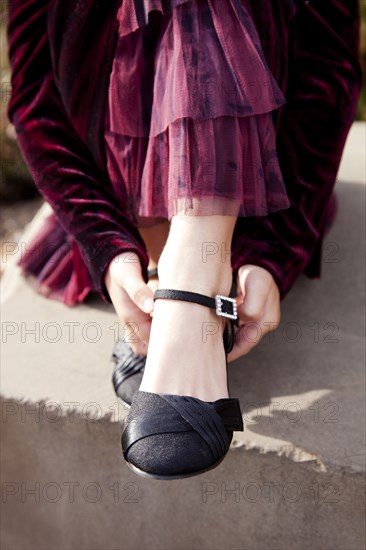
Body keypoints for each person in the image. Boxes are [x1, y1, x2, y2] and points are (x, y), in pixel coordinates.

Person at [7, 0, 361, 478]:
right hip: (113, 194)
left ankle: (194, 266)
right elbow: (34, 99)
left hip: (259, 201)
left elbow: (328, 71)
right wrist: (106, 247)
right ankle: (162, 257)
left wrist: (276, 246)